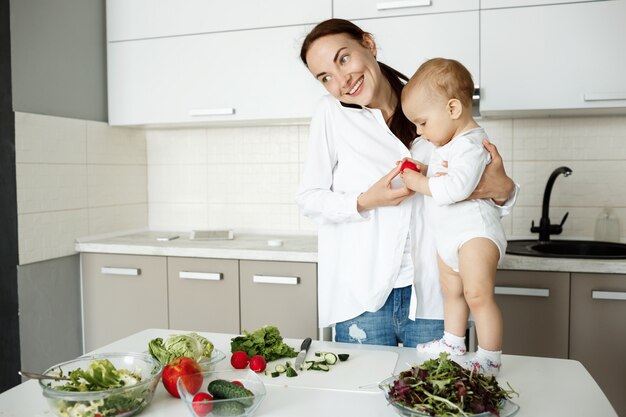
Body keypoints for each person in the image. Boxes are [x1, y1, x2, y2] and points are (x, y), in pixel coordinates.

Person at [296, 19, 518, 348]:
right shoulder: (331, 114)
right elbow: (309, 199)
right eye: (325, 77)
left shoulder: (432, 98)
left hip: (433, 293)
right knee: (360, 394)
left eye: (343, 58)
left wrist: (505, 191)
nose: (342, 80)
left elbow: (486, 187)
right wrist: (366, 199)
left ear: (368, 44)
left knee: (436, 395)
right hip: (364, 295)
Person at [399, 58, 507, 375]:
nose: (419, 132)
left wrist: (420, 183)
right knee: (452, 291)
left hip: (474, 235)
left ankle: (489, 355)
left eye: (422, 123)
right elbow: (446, 177)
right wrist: (425, 171)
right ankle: (453, 342)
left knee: (477, 293)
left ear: (453, 109)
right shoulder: (449, 143)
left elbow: (457, 188)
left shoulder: (471, 143)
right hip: (450, 235)